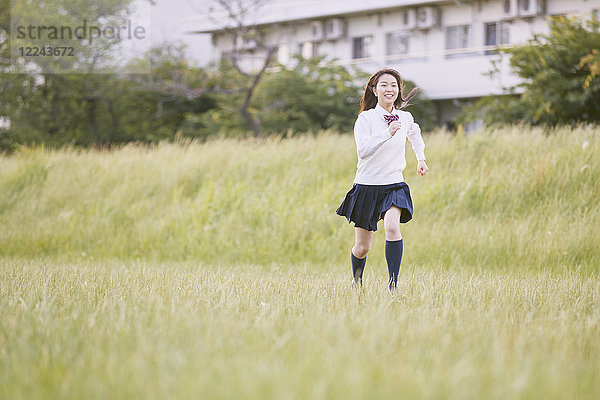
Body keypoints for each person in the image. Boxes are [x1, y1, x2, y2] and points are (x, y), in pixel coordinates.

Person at [336, 68, 429, 291]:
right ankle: (357, 282)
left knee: (392, 227)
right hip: (367, 186)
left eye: (394, 85)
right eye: (384, 85)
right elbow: (364, 152)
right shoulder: (365, 119)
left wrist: (421, 159)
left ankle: (392, 287)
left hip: (394, 184)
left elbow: (415, 134)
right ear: (374, 90)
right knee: (362, 247)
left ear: (399, 91)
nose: (390, 89)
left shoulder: (405, 117)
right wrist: (387, 133)